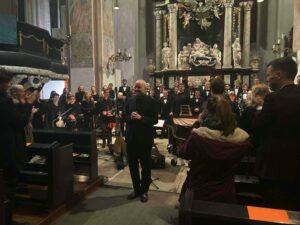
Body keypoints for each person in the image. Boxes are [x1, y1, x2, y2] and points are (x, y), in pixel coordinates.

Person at [179, 95, 250, 203]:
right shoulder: (241, 140)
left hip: (199, 192)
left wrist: (197, 124)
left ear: (206, 112)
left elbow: (183, 152)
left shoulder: (198, 137)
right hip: (226, 191)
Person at [253, 57, 300, 210]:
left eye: (268, 75)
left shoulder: (273, 98)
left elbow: (257, 127)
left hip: (274, 165)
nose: (267, 80)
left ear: (278, 75)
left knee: (275, 207)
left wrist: (259, 110)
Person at [0, 69, 36, 225]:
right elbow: (20, 122)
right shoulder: (4, 101)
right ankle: (7, 220)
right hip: (7, 151)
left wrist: (21, 104)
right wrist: (27, 104)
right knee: (9, 187)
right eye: (7, 83)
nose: (8, 86)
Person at [124, 80, 158, 202]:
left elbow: (154, 120)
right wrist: (130, 117)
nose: (137, 89)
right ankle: (136, 189)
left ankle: (144, 190)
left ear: (145, 88)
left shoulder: (152, 101)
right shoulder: (129, 100)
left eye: (139, 87)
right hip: (132, 138)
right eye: (135, 87)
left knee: (145, 166)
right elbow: (124, 117)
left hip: (144, 139)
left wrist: (141, 118)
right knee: (133, 166)